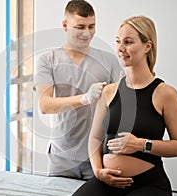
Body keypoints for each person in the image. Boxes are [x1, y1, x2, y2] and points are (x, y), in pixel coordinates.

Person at [70, 15, 177, 196]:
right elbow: (94, 138)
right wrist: (98, 171)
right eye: (118, 41)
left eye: (128, 42)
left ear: (147, 46)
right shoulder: (109, 91)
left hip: (148, 184)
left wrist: (141, 144)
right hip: (106, 182)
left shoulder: (165, 93)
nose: (120, 48)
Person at [34, 0, 122, 180]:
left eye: (92, 26)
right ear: (65, 25)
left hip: (98, 156)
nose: (87, 33)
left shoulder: (109, 60)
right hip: (61, 156)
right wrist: (84, 99)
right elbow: (45, 105)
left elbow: (122, 104)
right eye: (80, 27)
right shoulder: (47, 60)